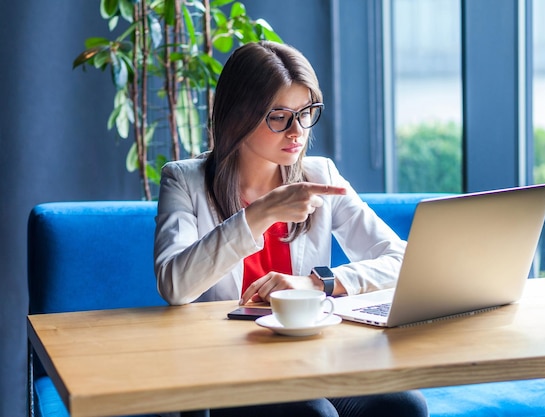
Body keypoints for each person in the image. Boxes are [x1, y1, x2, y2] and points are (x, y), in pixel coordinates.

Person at [154, 41, 428, 417]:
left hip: (307, 356)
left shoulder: (320, 176)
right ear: (238, 116)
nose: (297, 131)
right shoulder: (184, 181)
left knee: (402, 405)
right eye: (279, 116)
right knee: (311, 414)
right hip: (222, 364)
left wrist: (318, 283)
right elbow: (175, 285)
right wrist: (261, 213)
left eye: (306, 112)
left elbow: (401, 260)